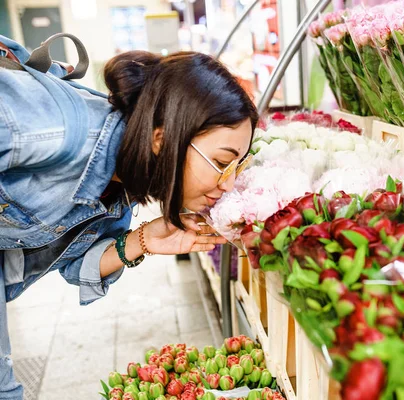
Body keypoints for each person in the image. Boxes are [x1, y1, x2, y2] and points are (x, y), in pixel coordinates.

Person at [0, 48, 258, 398]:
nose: (227, 183)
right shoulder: (55, 130)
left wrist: (144, 240)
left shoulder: (120, 187)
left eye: (236, 167)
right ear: (161, 140)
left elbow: (76, 265)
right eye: (220, 162)